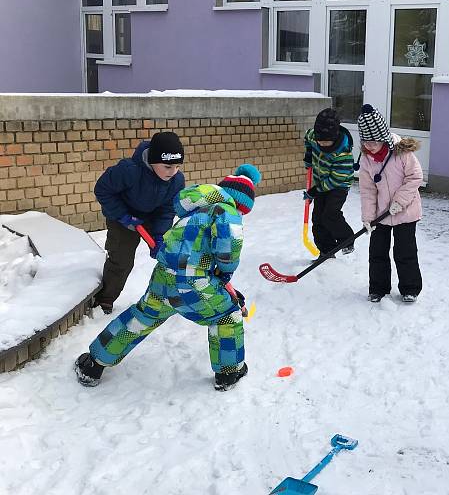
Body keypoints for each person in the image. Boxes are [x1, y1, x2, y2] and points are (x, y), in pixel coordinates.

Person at [74, 164, 261, 391]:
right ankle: (229, 373)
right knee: (226, 315)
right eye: (243, 211)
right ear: (241, 203)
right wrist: (226, 269)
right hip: (192, 284)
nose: (241, 215)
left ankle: (93, 363)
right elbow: (228, 247)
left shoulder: (193, 212)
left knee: (142, 316)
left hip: (163, 277)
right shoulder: (226, 211)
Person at [92, 132, 186, 314]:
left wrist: (159, 235)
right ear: (152, 161)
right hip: (122, 216)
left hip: (151, 217)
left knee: (169, 252)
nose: (173, 172)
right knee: (122, 260)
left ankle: (174, 298)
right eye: (167, 166)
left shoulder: (176, 181)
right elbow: (102, 190)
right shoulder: (129, 170)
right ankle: (104, 300)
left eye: (177, 166)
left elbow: (167, 210)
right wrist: (123, 216)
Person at [356, 104, 424, 303]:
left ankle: (410, 288)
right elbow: (367, 191)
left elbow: (415, 177)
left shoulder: (401, 153)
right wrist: (368, 218)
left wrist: (399, 202)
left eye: (374, 141)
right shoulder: (367, 160)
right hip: (380, 216)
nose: (370, 146)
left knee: (405, 252)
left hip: (406, 212)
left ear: (383, 137)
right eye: (366, 142)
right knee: (377, 252)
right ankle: (378, 288)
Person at [303, 108, 356, 256]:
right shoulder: (314, 136)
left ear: (335, 136)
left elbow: (335, 180)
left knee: (330, 214)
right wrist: (308, 154)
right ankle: (326, 251)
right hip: (321, 183)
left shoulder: (343, 153)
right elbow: (308, 138)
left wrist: (315, 190)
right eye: (320, 142)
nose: (323, 145)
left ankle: (347, 239)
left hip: (338, 186)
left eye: (327, 142)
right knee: (318, 219)